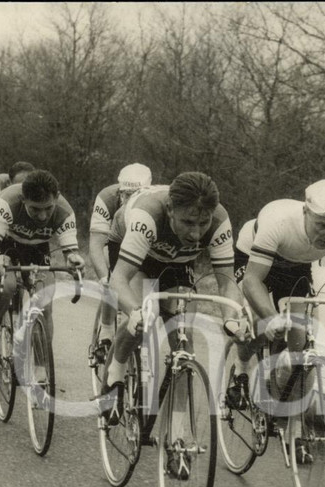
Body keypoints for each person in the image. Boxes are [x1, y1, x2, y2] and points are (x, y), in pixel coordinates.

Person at [100, 171, 245, 427]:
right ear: (169, 209)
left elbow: (227, 282)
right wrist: (134, 311)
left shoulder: (220, 221)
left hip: (178, 259)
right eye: (188, 222)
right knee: (145, 315)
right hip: (134, 251)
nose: (196, 233)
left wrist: (232, 319)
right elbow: (119, 280)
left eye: (203, 223)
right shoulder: (148, 215)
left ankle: (177, 434)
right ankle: (116, 371)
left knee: (184, 345)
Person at [228, 180, 325, 435]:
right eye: (322, 225)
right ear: (306, 212)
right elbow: (252, 281)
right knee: (260, 323)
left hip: (295, 266)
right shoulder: (279, 222)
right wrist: (271, 317)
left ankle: (294, 425)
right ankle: (241, 365)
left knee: (301, 338)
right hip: (255, 258)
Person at [0, 169, 85, 364]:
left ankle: (41, 368)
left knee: (45, 303)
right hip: (7, 246)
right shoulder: (7, 202)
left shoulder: (65, 211)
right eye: (35, 209)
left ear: (57, 198)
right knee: (7, 287)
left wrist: (73, 258)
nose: (43, 216)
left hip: (38, 249)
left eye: (48, 208)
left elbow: (70, 252)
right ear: (23, 199)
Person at [88, 163, 153, 349]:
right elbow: (96, 245)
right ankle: (106, 330)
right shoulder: (107, 198)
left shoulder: (154, 202)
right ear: (119, 191)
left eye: (137, 194)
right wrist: (104, 279)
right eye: (126, 194)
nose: (131, 200)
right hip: (114, 239)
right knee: (111, 275)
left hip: (140, 242)